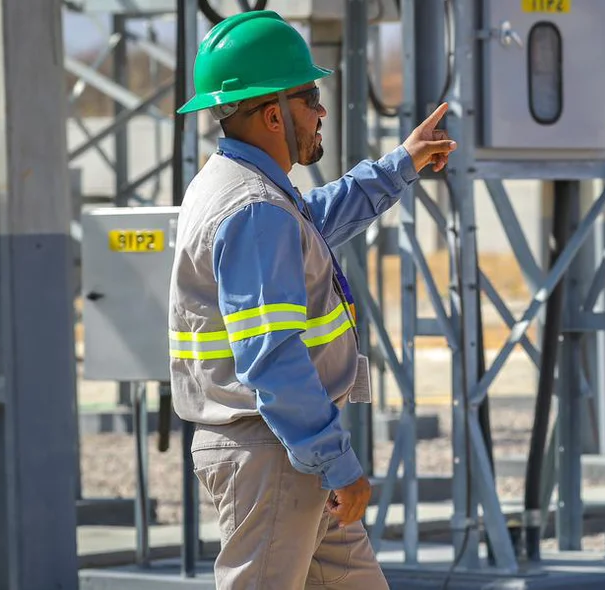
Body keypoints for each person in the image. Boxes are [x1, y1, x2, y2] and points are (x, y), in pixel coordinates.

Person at [167, 10, 456, 589]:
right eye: (311, 97)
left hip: (289, 448)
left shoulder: (243, 188)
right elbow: (271, 355)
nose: (321, 111)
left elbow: (314, 221)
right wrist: (335, 462)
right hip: (274, 451)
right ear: (274, 114)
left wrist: (401, 164)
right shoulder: (252, 209)